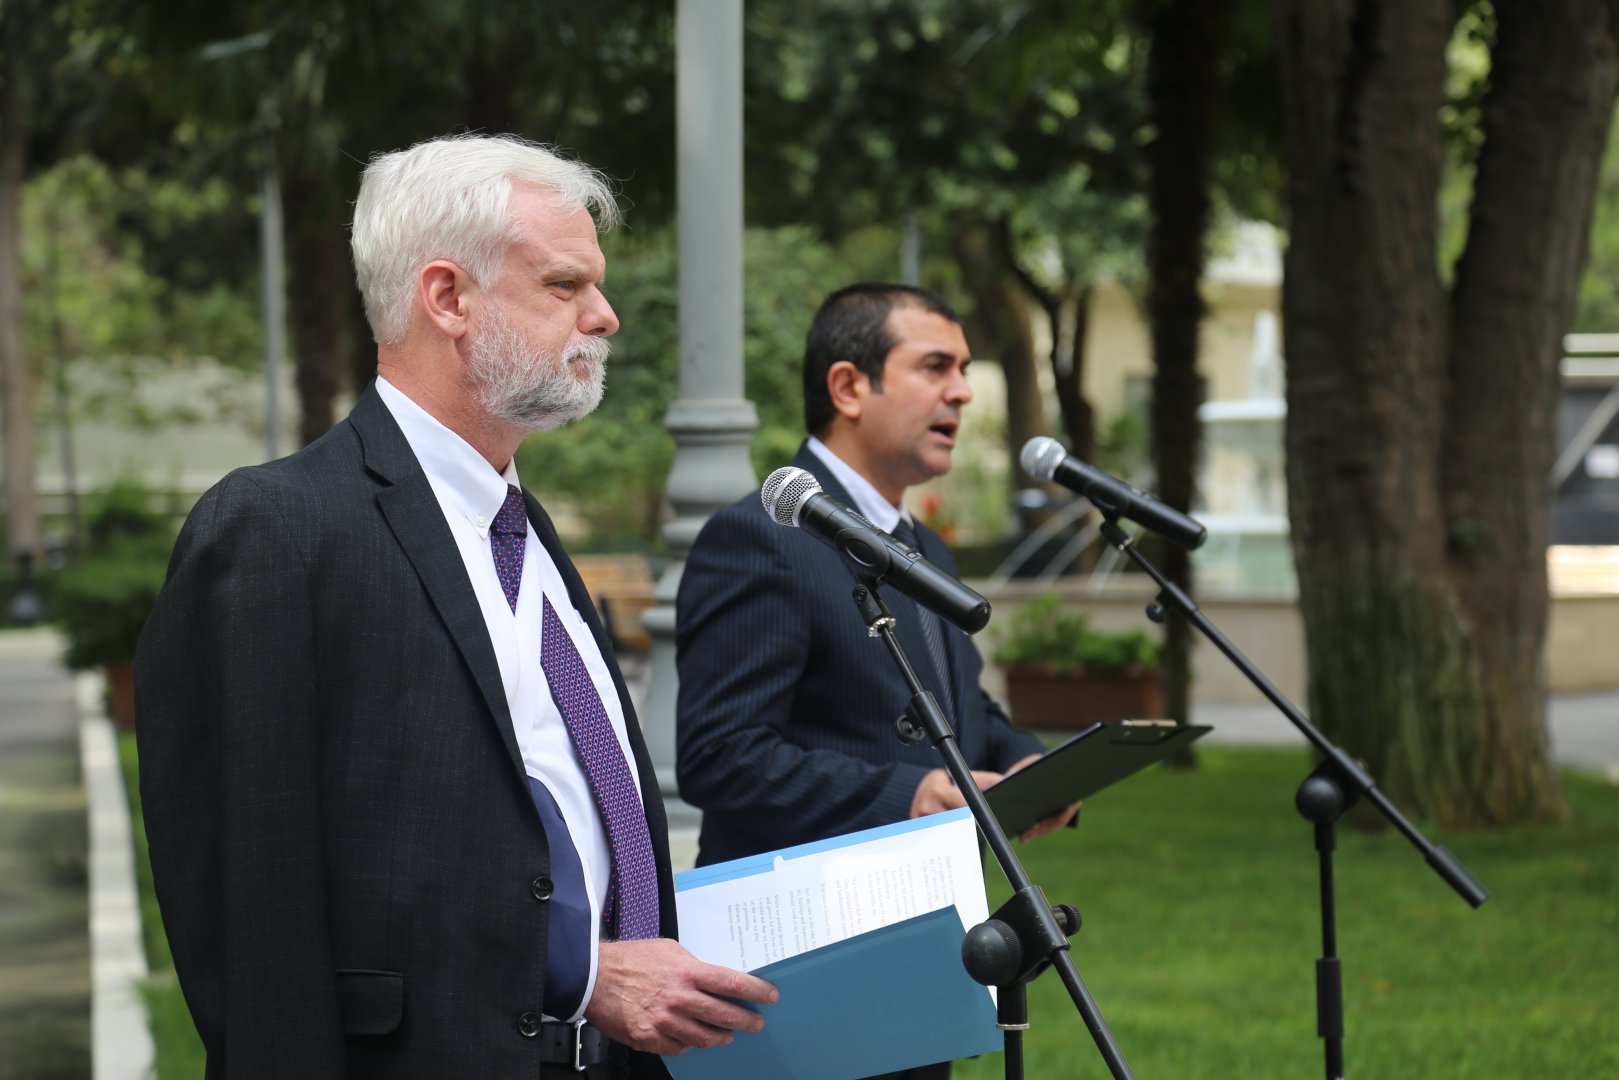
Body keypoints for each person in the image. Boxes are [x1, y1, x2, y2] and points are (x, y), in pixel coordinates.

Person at [134, 134, 775, 1080]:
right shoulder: (278, 526)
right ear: (447, 299)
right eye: (564, 286)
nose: (604, 317)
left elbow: (540, 806)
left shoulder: (525, 528)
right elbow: (252, 905)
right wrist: (578, 971)